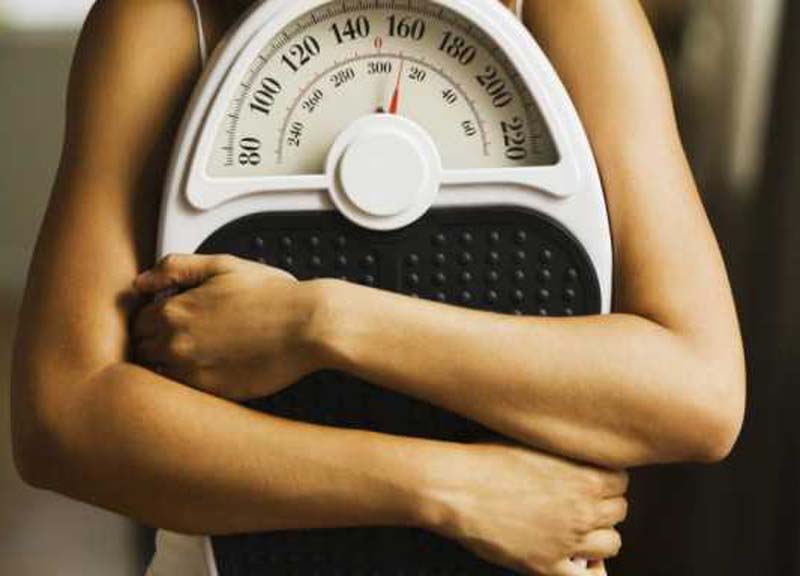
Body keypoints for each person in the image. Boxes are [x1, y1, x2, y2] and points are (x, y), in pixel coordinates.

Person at [10, 0, 746, 575]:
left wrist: (318, 321)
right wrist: (449, 490)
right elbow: (63, 416)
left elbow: (699, 392)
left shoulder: (571, 14)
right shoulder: (164, 20)